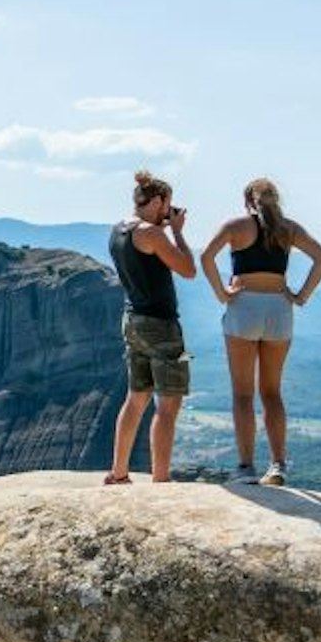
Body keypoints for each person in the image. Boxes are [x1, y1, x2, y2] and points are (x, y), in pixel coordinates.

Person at [200, 178, 321, 486]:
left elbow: (206, 257)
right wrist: (301, 296)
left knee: (242, 394)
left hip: (243, 307)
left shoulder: (236, 226)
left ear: (248, 201)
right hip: (279, 310)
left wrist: (222, 293)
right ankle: (278, 465)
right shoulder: (290, 229)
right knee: (272, 392)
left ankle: (245, 469)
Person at [106, 170, 196, 484]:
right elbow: (188, 270)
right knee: (168, 404)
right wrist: (178, 232)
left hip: (132, 320)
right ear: (157, 201)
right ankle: (161, 479)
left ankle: (118, 472)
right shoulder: (153, 234)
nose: (167, 212)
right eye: (166, 205)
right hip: (161, 325)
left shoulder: (118, 229)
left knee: (136, 397)